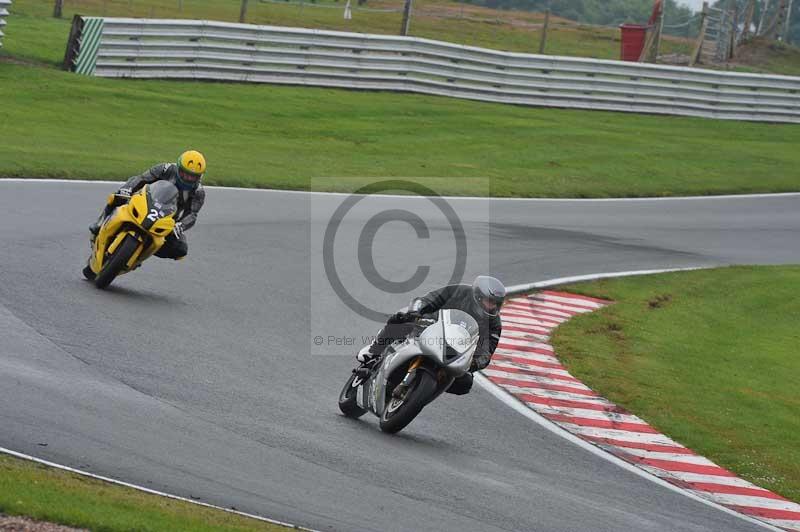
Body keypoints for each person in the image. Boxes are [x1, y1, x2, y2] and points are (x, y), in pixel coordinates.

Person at [356, 276, 505, 395]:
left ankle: (423, 390)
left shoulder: (494, 323)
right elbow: (430, 298)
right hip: (431, 325)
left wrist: (473, 364)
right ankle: (374, 350)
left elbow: (487, 352)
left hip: (455, 351)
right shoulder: (459, 291)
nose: (491, 306)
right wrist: (416, 311)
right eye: (489, 301)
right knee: (401, 318)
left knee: (465, 383)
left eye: (495, 304)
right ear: (478, 296)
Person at [90, 150, 207, 260]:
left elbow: (192, 214)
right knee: (117, 197)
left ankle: (141, 253)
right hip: (144, 201)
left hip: (166, 220)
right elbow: (141, 179)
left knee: (181, 249)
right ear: (178, 168)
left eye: (193, 176)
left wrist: (180, 225)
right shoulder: (165, 169)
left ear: (199, 176)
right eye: (185, 174)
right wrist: (127, 189)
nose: (188, 178)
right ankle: (100, 222)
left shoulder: (198, 192)